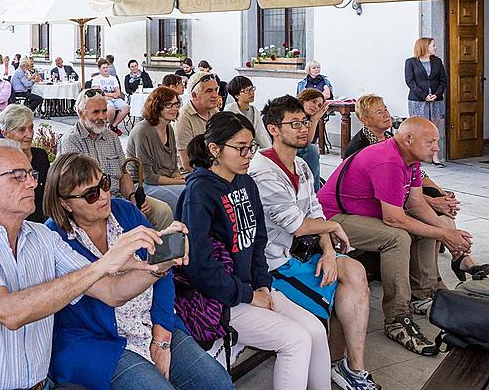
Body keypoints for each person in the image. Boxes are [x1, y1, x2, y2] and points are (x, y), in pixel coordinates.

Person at [0, 138, 187, 390]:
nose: (33, 183)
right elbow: (9, 312)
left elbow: (112, 291)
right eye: (18, 177)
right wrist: (104, 264)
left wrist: (161, 263)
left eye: (31, 174)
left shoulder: (42, 238)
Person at [44, 153, 231, 390]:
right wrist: (157, 266)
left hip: (150, 321)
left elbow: (163, 275)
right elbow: (112, 292)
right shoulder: (54, 237)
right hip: (99, 341)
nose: (103, 196)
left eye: (103, 184)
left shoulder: (124, 211)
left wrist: (162, 337)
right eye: (91, 194)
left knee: (217, 383)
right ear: (65, 203)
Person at [178, 111, 331, 390]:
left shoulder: (246, 182)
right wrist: (248, 295)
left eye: (251, 147)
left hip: (252, 289)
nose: (249, 155)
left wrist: (262, 285)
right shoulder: (199, 193)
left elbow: (257, 242)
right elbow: (199, 264)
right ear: (215, 149)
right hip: (219, 300)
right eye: (240, 148)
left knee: (316, 331)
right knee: (295, 341)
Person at [316, 117, 474, 355]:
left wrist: (447, 233)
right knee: (398, 238)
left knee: (427, 224)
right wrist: (444, 234)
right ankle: (397, 319)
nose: (436, 148)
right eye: (430, 141)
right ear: (408, 139)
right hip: (334, 218)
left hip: (364, 214)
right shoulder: (388, 160)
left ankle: (423, 294)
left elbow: (418, 203)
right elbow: (393, 219)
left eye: (436, 141)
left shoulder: (410, 159)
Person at [250, 96, 378, 389]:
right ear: (273, 129)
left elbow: (315, 211)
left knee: (354, 270)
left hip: (304, 254)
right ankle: (334, 360)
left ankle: (354, 369)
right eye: (294, 124)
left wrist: (329, 250)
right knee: (346, 283)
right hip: (276, 264)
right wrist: (332, 227)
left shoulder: (301, 166)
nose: (303, 129)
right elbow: (297, 224)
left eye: (305, 122)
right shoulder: (263, 171)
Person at [345, 95, 488, 281]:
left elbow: (418, 175)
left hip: (401, 195)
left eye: (386, 108)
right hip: (377, 202)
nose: (386, 114)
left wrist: (441, 194)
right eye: (379, 112)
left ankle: (457, 256)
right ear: (364, 119)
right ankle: (439, 274)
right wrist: (433, 203)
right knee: (428, 216)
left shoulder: (391, 137)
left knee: (437, 199)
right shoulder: (361, 146)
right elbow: (386, 192)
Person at [60, 89, 174, 231]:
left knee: (163, 211)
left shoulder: (111, 137)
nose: (102, 117)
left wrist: (132, 197)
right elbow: (78, 186)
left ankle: (159, 253)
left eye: (104, 111)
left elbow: (124, 174)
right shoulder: (72, 140)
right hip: (93, 202)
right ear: (80, 113)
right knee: (132, 222)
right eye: (96, 112)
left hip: (120, 197)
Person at [126, 87, 186, 211]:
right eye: (169, 105)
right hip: (142, 185)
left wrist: (177, 176)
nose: (175, 108)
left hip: (165, 179)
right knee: (183, 195)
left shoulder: (169, 128)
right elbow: (148, 177)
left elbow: (174, 165)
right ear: (157, 106)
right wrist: (178, 182)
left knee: (193, 189)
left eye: (176, 104)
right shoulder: (142, 131)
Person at [0, 104, 49, 223]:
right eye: (22, 130)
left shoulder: (40, 156)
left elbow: (48, 194)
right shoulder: (0, 163)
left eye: (31, 128)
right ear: (5, 133)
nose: (29, 135)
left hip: (43, 222)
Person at [404, 37, 447, 166]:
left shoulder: (438, 61)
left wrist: (436, 94)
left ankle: (435, 157)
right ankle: (415, 157)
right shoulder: (411, 62)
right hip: (418, 100)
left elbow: (443, 80)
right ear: (424, 46)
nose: (435, 47)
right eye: (433, 45)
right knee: (418, 129)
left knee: (434, 130)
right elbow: (410, 81)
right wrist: (424, 96)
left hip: (436, 100)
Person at [174, 71, 220, 172]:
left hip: (215, 169)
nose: (215, 95)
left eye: (216, 90)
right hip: (192, 175)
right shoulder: (183, 118)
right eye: (209, 91)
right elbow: (187, 164)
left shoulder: (215, 112)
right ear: (194, 95)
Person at [224, 75, 271, 149]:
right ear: (237, 95)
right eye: (246, 90)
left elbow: (261, 135)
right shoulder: (230, 110)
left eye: (252, 89)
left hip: (251, 149)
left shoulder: (254, 111)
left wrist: (270, 151)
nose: (251, 93)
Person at [297, 88, 328, 190]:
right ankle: (314, 191)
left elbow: (306, 142)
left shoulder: (308, 117)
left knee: (311, 149)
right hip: (283, 145)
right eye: (314, 101)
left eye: (319, 105)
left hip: (297, 146)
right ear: (304, 99)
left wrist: (315, 119)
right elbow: (305, 143)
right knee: (312, 150)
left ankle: (314, 190)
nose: (316, 106)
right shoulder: (293, 112)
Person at [91, 59, 130, 135]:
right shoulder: (97, 78)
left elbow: (118, 92)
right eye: (103, 68)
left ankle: (113, 126)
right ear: (99, 69)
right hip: (103, 99)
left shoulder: (113, 78)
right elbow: (98, 92)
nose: (106, 69)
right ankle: (109, 128)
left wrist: (108, 94)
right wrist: (111, 95)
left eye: (106, 67)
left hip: (114, 98)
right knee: (111, 109)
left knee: (126, 107)